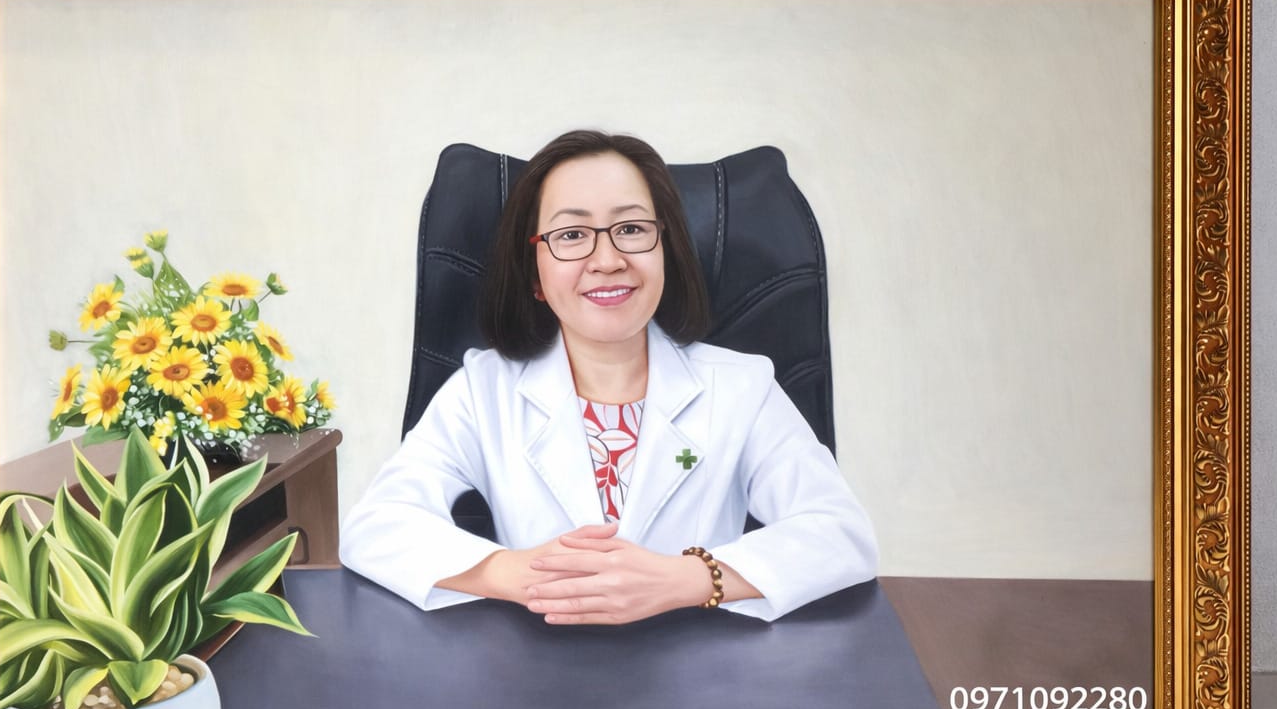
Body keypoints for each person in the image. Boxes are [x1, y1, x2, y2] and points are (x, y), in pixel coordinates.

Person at [339, 130, 877, 623]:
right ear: (535, 274)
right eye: (572, 234)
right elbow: (376, 525)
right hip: (533, 670)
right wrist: (519, 575)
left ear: (665, 250)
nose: (607, 259)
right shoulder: (484, 391)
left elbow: (841, 534)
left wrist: (684, 580)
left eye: (632, 229)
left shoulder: (742, 388)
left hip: (700, 668)